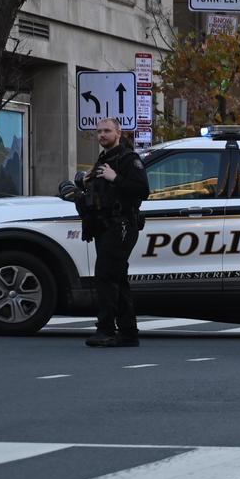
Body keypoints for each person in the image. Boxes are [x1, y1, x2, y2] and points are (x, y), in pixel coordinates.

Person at [78, 116, 148, 348]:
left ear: (118, 133)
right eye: (99, 132)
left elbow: (141, 190)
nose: (102, 135)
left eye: (107, 131)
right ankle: (128, 332)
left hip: (122, 225)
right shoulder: (104, 159)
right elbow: (100, 196)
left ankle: (106, 329)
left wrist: (115, 178)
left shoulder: (129, 159)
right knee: (116, 278)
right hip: (104, 226)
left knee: (106, 277)